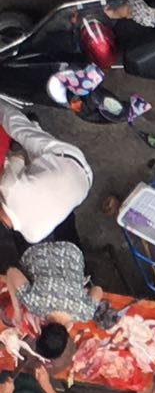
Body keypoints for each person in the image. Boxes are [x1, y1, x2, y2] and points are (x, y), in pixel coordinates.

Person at [0, 102, 93, 245]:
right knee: (20, 131)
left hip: (85, 186)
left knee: (36, 173)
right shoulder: (9, 188)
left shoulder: (32, 236)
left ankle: (34, 126)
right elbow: (19, 157)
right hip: (70, 159)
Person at [5, 241, 102, 326]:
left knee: (63, 227)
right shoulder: (34, 304)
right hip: (34, 250)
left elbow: (97, 289)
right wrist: (17, 310)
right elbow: (11, 271)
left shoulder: (85, 313)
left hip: (70, 251)